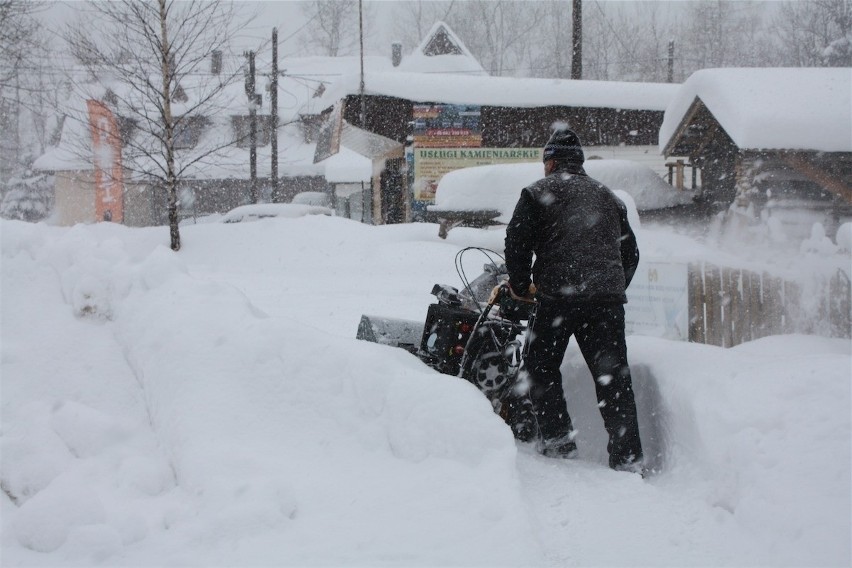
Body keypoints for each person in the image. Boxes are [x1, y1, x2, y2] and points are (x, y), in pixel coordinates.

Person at [504, 126, 644, 473]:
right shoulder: (609, 197)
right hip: (606, 302)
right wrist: (610, 286)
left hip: (557, 298)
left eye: (544, 161)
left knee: (540, 368)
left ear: (550, 162)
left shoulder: (537, 193)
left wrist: (521, 286)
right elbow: (631, 254)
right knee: (613, 378)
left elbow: (516, 241)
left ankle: (558, 441)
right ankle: (628, 459)